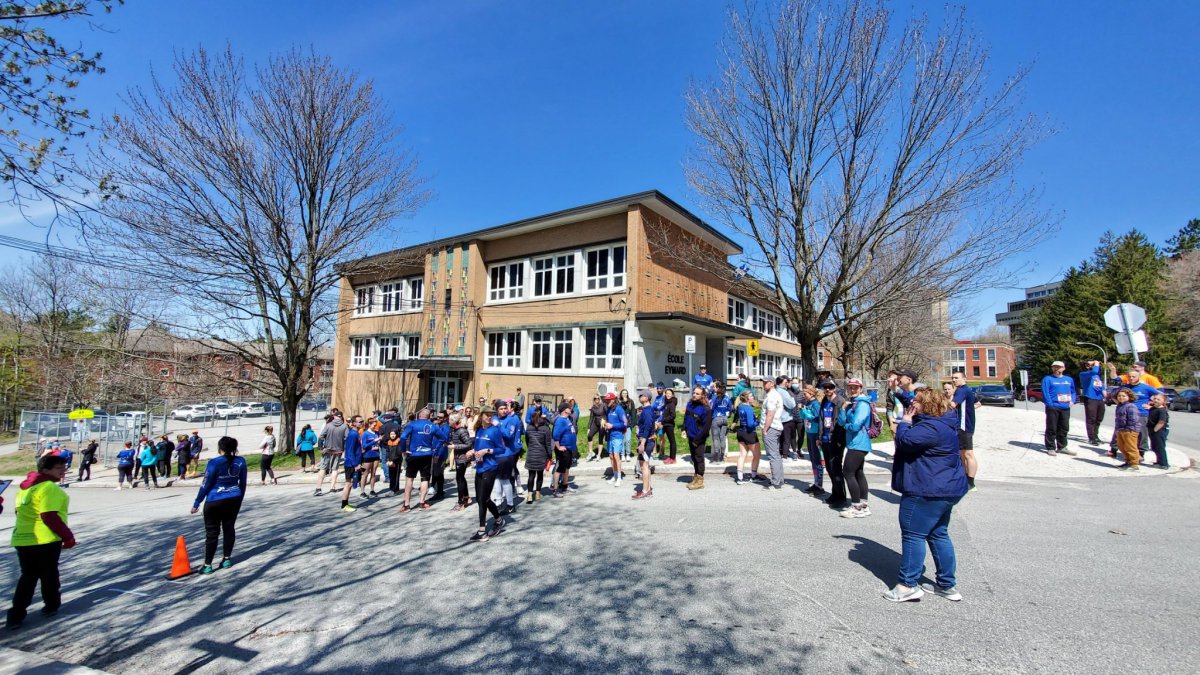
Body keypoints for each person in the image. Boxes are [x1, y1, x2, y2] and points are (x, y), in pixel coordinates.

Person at [883, 386, 969, 603]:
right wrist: (899, 392)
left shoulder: (930, 428)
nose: (913, 405)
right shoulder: (945, 420)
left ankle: (907, 585)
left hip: (927, 489)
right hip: (947, 488)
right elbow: (914, 399)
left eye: (917, 403)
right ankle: (946, 584)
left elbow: (904, 442)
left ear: (928, 405)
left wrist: (904, 420)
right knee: (938, 533)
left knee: (913, 534)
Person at [6, 454, 75, 630]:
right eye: (59, 468)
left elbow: (18, 512)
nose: (63, 471)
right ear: (45, 470)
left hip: (23, 538)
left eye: (64, 467)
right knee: (49, 574)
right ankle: (51, 606)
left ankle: (15, 615)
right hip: (44, 539)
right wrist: (67, 536)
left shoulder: (25, 489)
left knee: (28, 576)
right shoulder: (48, 488)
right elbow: (49, 516)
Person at [190, 436, 247, 575]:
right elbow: (243, 483)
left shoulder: (214, 462)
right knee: (229, 528)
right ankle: (226, 559)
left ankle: (207, 564)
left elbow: (206, 483)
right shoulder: (241, 461)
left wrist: (197, 502)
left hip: (215, 499)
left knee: (212, 533)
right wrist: (239, 499)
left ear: (220, 448)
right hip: (234, 498)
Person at [837, 378, 874, 518]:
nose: (852, 390)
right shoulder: (851, 403)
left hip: (859, 442)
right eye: (850, 387)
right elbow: (841, 421)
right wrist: (842, 409)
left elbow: (855, 425)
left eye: (855, 387)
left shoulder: (862, 404)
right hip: (854, 442)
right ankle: (863, 505)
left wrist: (847, 426)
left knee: (848, 472)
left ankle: (856, 506)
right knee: (858, 472)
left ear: (861, 388)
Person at [468, 407, 504, 540]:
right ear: (481, 416)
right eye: (487, 415)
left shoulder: (495, 431)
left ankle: (482, 531)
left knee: (483, 499)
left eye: (491, 415)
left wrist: (487, 451)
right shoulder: (479, 430)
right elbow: (477, 447)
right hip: (479, 467)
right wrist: (472, 452)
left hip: (490, 467)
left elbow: (501, 449)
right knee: (481, 499)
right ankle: (499, 520)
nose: (490, 417)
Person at [398, 409, 443, 512]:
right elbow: (442, 438)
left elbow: (403, 437)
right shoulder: (433, 426)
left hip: (414, 454)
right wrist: (435, 449)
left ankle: (407, 505)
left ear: (419, 416)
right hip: (427, 454)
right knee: (425, 479)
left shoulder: (412, 424)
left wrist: (404, 450)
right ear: (429, 416)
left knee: (409, 479)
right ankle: (422, 503)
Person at [818, 380, 849, 508]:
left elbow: (841, 422)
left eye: (830, 387)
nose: (828, 390)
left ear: (834, 388)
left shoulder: (840, 401)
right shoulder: (825, 401)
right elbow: (821, 419)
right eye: (825, 388)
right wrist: (819, 437)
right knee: (830, 469)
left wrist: (838, 439)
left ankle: (841, 497)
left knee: (836, 468)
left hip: (835, 439)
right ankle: (835, 494)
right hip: (825, 438)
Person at [949, 372, 980, 491]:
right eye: (953, 378)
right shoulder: (968, 390)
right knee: (962, 454)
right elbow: (978, 403)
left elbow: (952, 404)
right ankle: (965, 479)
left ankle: (971, 483)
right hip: (965, 425)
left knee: (968, 454)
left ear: (964, 378)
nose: (954, 380)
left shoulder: (962, 390)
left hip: (964, 427)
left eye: (956, 378)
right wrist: (968, 410)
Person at [1041, 360, 1077, 456]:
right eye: (1055, 367)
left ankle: (1062, 447)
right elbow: (1045, 392)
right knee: (1052, 428)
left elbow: (1073, 391)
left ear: (1063, 368)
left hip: (1065, 407)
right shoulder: (1047, 379)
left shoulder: (1069, 379)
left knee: (1064, 428)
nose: (1056, 368)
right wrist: (1050, 404)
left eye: (1059, 367)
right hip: (1053, 407)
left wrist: (1072, 401)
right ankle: (1051, 447)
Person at [683, 386, 712, 491]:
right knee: (693, 458)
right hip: (690, 435)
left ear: (703, 395)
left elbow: (706, 428)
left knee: (699, 458)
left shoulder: (706, 409)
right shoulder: (690, 404)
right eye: (694, 393)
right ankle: (695, 477)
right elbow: (686, 417)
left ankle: (700, 480)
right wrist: (684, 428)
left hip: (698, 438)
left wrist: (697, 440)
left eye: (697, 393)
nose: (694, 395)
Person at [495, 401, 522, 513]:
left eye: (505, 408)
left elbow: (509, 435)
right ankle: (498, 501)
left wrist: (498, 425)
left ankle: (510, 504)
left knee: (505, 479)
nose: (504, 410)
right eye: (501, 408)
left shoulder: (511, 420)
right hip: (496, 453)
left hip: (507, 453)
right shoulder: (494, 418)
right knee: (496, 478)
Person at [760, 376, 786, 490]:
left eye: (765, 383)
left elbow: (770, 414)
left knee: (773, 456)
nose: (763, 385)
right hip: (775, 427)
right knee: (776, 455)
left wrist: (765, 429)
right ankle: (779, 479)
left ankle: (775, 482)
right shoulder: (774, 395)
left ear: (771, 384)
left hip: (771, 428)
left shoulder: (771, 396)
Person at [798, 385, 825, 495]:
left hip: (815, 433)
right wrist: (801, 410)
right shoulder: (808, 403)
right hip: (809, 433)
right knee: (813, 459)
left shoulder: (816, 404)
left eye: (805, 394)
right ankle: (815, 483)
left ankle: (820, 485)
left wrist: (804, 411)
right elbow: (803, 416)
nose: (804, 396)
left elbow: (816, 417)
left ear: (811, 394)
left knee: (817, 460)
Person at [314, 413, 348, 497]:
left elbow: (321, 437)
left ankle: (318, 488)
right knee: (335, 469)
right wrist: (343, 447)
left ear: (334, 417)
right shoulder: (344, 426)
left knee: (323, 468)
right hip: (338, 450)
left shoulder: (328, 425)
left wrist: (320, 448)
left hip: (327, 450)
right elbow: (347, 438)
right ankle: (332, 487)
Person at [524, 408, 553, 502]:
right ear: (542, 417)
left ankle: (529, 495)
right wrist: (550, 456)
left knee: (531, 475)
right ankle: (537, 493)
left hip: (531, 454)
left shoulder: (528, 427)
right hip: (541, 454)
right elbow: (548, 444)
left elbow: (527, 441)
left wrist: (531, 449)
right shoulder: (546, 429)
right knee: (540, 475)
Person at [601, 392, 629, 488]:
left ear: (614, 400)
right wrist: (605, 423)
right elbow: (608, 420)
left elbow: (625, 423)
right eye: (606, 400)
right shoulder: (608, 409)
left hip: (617, 436)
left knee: (616, 456)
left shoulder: (619, 409)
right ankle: (615, 475)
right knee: (611, 456)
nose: (606, 401)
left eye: (608, 400)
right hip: (610, 435)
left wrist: (613, 425)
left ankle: (619, 478)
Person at [632, 394, 657, 500]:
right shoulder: (647, 409)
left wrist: (642, 443)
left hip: (646, 441)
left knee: (644, 466)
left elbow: (647, 427)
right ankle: (647, 489)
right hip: (647, 440)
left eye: (642, 395)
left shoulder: (647, 411)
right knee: (645, 465)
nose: (640, 396)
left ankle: (645, 491)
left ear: (647, 398)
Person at [734, 391, 761, 485]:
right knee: (757, 455)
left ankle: (739, 478)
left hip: (741, 432)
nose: (753, 397)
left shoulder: (740, 406)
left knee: (742, 455)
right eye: (751, 396)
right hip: (749, 433)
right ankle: (753, 476)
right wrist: (758, 422)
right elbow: (750, 424)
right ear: (747, 398)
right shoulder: (749, 408)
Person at [1078, 360, 1107, 445]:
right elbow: (1094, 370)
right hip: (1090, 398)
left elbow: (1101, 385)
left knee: (1099, 418)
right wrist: (1096, 363)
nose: (1091, 366)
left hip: (1099, 399)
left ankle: (1096, 435)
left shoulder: (1097, 376)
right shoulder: (1084, 374)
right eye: (1089, 365)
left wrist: (1104, 391)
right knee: (1091, 419)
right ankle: (1091, 437)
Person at [1112, 388, 1141, 471]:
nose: (1121, 397)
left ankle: (1134, 464)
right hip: (1120, 429)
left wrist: (1128, 429)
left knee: (1131, 447)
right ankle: (1127, 462)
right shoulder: (1120, 406)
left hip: (1130, 430)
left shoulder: (1131, 406)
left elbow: (1133, 419)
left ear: (1129, 397)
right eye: (1119, 396)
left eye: (1124, 396)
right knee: (1122, 447)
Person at [551, 403, 577, 498]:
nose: (570, 409)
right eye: (569, 408)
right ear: (564, 410)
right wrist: (558, 447)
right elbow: (555, 435)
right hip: (563, 449)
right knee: (560, 469)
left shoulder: (567, 419)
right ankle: (555, 489)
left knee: (567, 468)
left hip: (569, 448)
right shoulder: (560, 420)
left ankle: (565, 486)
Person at [448, 414, 473, 511]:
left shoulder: (462, 430)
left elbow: (468, 444)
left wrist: (455, 447)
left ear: (454, 421)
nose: (448, 422)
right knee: (461, 478)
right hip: (459, 457)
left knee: (459, 479)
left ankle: (461, 502)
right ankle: (466, 498)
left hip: (463, 458)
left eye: (449, 421)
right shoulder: (455, 430)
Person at [338, 418, 363, 512]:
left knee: (350, 483)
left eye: (362, 421)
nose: (362, 423)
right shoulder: (352, 434)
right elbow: (349, 451)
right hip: (350, 463)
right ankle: (344, 505)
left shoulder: (356, 433)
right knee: (348, 484)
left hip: (354, 462)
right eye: (360, 422)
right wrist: (356, 464)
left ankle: (346, 503)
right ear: (353, 423)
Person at [709, 382, 733, 464]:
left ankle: (716, 457)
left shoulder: (715, 397)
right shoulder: (727, 398)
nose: (714, 388)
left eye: (715, 387)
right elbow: (730, 409)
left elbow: (711, 408)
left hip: (716, 418)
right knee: (722, 438)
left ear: (718, 388)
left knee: (715, 438)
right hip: (725, 419)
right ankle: (722, 456)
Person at [430, 412, 450, 501]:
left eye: (441, 417)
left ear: (445, 418)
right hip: (434, 451)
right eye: (437, 417)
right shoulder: (437, 426)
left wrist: (438, 454)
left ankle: (440, 493)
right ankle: (438, 490)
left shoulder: (446, 428)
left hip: (440, 453)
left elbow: (443, 442)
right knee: (435, 472)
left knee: (438, 473)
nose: (438, 418)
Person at [359, 420, 381, 498]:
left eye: (376, 425)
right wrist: (374, 441)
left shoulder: (377, 433)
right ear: (369, 424)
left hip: (376, 455)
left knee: (374, 473)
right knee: (365, 473)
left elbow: (379, 443)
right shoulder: (365, 434)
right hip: (368, 455)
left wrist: (379, 441)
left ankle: (372, 490)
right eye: (373, 425)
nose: (375, 427)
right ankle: (362, 491)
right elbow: (364, 445)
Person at [1148, 394, 1169, 468]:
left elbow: (1161, 422)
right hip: (1152, 430)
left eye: (1158, 399)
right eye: (1155, 398)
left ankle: (1163, 464)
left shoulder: (1162, 411)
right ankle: (1159, 461)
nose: (1156, 400)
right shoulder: (1153, 408)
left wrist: (1154, 430)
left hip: (1159, 431)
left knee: (1160, 447)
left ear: (1164, 401)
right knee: (1154, 447)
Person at [661, 388, 679, 464]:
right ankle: (671, 457)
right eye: (666, 393)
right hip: (666, 424)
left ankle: (673, 458)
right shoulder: (667, 402)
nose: (668, 395)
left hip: (669, 425)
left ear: (672, 395)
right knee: (670, 441)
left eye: (669, 393)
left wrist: (664, 419)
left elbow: (673, 415)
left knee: (672, 441)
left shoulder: (671, 403)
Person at [586, 396, 606, 462]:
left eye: (598, 398)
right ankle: (591, 452)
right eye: (595, 398)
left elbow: (607, 414)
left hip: (602, 423)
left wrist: (605, 420)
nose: (596, 399)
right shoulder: (593, 407)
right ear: (594, 400)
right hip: (595, 423)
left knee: (600, 439)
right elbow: (591, 417)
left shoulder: (603, 405)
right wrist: (589, 427)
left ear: (600, 399)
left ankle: (599, 455)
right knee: (589, 436)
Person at [385, 428, 405, 495]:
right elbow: (387, 451)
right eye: (391, 434)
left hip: (397, 461)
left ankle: (394, 489)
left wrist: (393, 460)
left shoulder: (399, 441)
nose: (392, 435)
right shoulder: (388, 442)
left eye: (394, 434)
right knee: (391, 475)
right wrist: (387, 459)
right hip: (390, 461)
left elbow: (399, 452)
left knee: (396, 475)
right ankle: (391, 488)